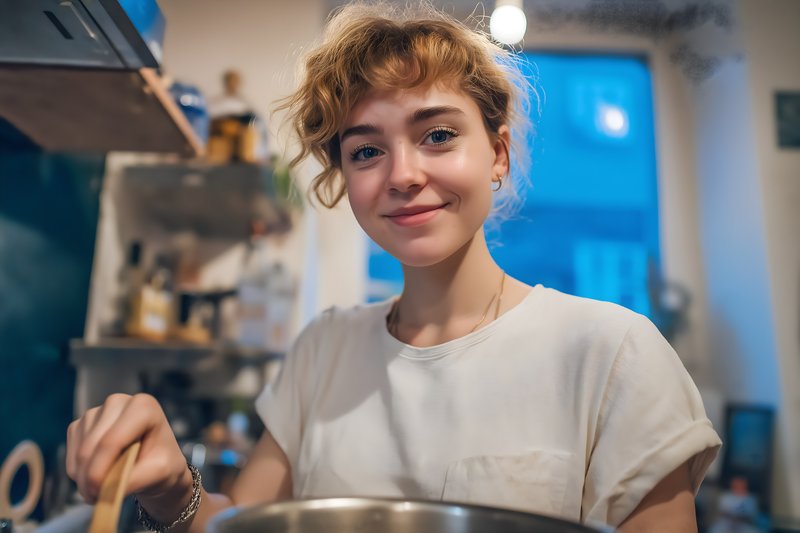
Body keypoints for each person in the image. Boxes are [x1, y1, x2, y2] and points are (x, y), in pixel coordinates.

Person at [65, 2, 721, 531]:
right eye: (367, 150)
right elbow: (237, 523)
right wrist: (174, 486)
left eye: (437, 134)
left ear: (496, 153)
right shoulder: (324, 347)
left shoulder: (614, 353)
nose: (403, 175)